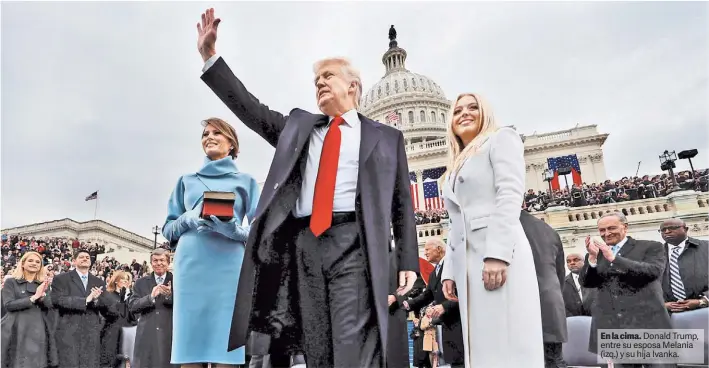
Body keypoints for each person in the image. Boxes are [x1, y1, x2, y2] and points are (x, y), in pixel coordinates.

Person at [195, 8, 418, 368]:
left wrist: (408, 259)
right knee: (317, 348)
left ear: (353, 86)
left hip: (354, 243)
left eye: (328, 76)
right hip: (304, 247)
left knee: (350, 341)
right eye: (316, 80)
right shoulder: (301, 127)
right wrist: (210, 58)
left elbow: (401, 204)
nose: (319, 83)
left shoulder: (386, 138)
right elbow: (250, 109)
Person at [440, 93, 545, 367]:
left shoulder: (500, 139)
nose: (465, 113)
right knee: (481, 344)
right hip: (468, 263)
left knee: (508, 340)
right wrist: (450, 272)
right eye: (458, 110)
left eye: (473, 107)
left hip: (497, 254)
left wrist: (497, 254)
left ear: (485, 113)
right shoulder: (455, 164)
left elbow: (509, 194)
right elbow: (455, 223)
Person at [161, 118, 259, 367]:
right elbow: (168, 230)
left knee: (226, 352)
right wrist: (187, 219)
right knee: (189, 352)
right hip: (191, 268)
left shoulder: (247, 181)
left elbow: (260, 231)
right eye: (205, 134)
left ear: (232, 143)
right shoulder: (186, 180)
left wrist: (234, 231)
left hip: (229, 270)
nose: (209, 137)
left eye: (217, 132)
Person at [580, 212, 675, 368]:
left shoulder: (651, 246)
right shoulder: (597, 254)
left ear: (625, 227)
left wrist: (614, 258)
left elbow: (653, 272)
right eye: (602, 230)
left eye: (611, 228)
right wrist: (592, 259)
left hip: (648, 326)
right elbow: (587, 283)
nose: (606, 233)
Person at [519, 210, 568, 368]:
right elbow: (560, 274)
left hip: (520, 310)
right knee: (554, 361)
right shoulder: (548, 229)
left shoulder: (502, 224)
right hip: (551, 306)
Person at [51, 249, 113, 368]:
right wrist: (85, 300)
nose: (85, 259)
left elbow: (106, 305)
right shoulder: (61, 279)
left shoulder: (98, 281)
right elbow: (57, 300)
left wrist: (96, 300)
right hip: (68, 330)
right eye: (81, 257)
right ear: (74, 261)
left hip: (91, 332)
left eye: (87, 257)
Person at [1, 251, 57, 368]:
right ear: (22, 263)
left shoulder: (43, 284)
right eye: (30, 261)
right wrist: (33, 297)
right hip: (15, 328)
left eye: (38, 262)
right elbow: (9, 305)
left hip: (38, 329)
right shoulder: (11, 282)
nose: (34, 263)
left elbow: (49, 306)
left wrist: (43, 297)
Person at [129, 249, 177, 368]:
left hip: (169, 334)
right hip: (147, 334)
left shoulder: (178, 281)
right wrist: (150, 297)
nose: (158, 263)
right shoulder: (140, 282)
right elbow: (133, 306)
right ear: (151, 263)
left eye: (162, 260)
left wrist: (170, 296)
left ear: (168, 262)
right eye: (155, 260)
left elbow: (186, 306)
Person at [658, 218, 709, 313]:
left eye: (672, 228)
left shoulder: (706, 248)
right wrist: (662, 304)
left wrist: (703, 301)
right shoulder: (654, 255)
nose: (667, 232)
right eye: (663, 230)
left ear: (686, 229)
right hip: (671, 315)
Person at [99, 270, 135, 368]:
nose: (126, 281)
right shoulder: (107, 295)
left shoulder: (131, 296)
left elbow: (134, 316)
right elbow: (112, 312)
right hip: (111, 333)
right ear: (116, 280)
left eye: (127, 280)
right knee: (109, 362)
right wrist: (123, 299)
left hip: (127, 333)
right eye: (123, 279)